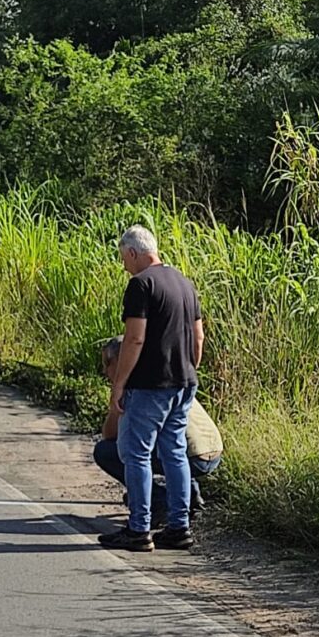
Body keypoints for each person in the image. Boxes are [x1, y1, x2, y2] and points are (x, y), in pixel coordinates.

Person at [98, 225, 203, 552]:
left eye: (123, 258)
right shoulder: (184, 283)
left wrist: (120, 384)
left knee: (136, 453)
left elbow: (135, 338)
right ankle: (178, 526)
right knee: (175, 452)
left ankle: (139, 528)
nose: (123, 265)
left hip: (149, 385)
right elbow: (198, 338)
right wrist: (187, 368)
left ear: (132, 252)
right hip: (183, 383)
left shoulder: (140, 285)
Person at [93, 335, 222, 524]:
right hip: (212, 452)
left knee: (108, 451)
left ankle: (158, 500)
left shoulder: (137, 387)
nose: (105, 370)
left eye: (107, 363)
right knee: (171, 439)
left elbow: (111, 435)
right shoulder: (165, 375)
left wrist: (116, 396)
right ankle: (190, 495)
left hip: (191, 457)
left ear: (122, 360)